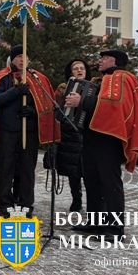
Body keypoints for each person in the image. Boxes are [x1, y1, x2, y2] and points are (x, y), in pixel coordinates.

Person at [64, 49, 138, 240]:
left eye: (104, 58)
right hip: (92, 136)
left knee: (110, 183)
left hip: (109, 139)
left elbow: (115, 106)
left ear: (115, 61)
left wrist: (82, 100)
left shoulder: (123, 78)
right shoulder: (101, 80)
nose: (100, 60)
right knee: (92, 181)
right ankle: (96, 222)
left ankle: (115, 229)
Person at [0, 45, 57, 218]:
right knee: (6, 168)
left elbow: (46, 104)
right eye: (18, 57)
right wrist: (15, 91)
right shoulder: (2, 77)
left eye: (24, 56)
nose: (21, 60)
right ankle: (6, 204)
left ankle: (26, 204)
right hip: (8, 131)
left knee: (27, 169)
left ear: (29, 60)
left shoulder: (37, 78)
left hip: (29, 131)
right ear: (12, 60)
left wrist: (32, 111)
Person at [50, 59, 90, 213]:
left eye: (82, 68)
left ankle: (94, 202)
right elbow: (56, 110)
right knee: (73, 171)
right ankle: (76, 199)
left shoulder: (93, 88)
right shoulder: (62, 88)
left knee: (88, 170)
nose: (79, 71)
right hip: (69, 133)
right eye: (76, 68)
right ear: (70, 72)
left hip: (87, 133)